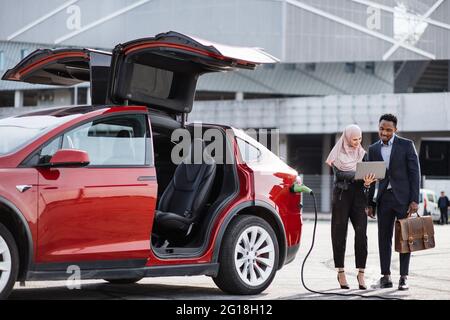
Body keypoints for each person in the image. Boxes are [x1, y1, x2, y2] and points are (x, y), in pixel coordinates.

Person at [366, 114, 421, 291]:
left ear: (395, 130)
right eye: (382, 128)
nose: (385, 132)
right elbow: (370, 178)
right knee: (384, 238)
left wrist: (414, 199)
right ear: (378, 127)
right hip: (384, 199)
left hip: (404, 200)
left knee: (406, 238)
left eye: (389, 129)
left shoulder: (406, 145)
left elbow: (414, 173)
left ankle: (403, 277)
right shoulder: (373, 149)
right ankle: (386, 276)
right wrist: (370, 203)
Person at [326, 124, 377, 290]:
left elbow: (367, 180)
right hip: (342, 196)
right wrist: (359, 176)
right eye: (354, 139)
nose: (357, 142)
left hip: (359, 198)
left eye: (360, 139)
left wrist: (368, 183)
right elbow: (340, 174)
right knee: (339, 233)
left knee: (362, 234)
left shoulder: (363, 154)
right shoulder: (337, 153)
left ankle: (361, 273)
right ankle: (340, 271)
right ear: (347, 137)